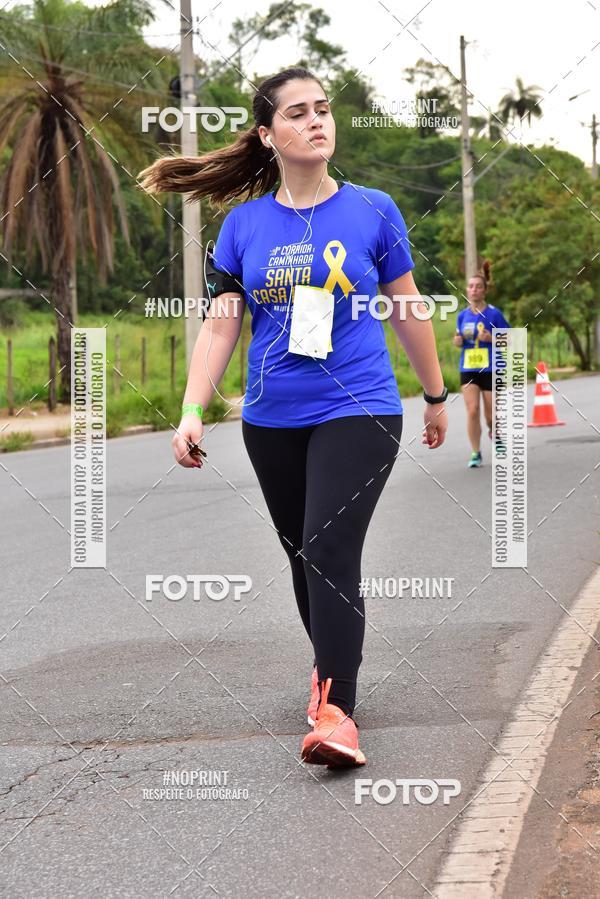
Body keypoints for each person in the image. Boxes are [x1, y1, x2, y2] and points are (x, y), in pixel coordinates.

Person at [139, 66, 448, 768]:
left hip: (360, 404)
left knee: (328, 546)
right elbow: (222, 326)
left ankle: (338, 709)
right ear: (267, 134)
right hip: (273, 416)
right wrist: (192, 410)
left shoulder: (373, 209)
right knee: (305, 555)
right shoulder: (244, 226)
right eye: (299, 113)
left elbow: (406, 305)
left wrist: (433, 396)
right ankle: (327, 672)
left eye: (324, 110)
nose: (317, 122)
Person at [453, 262, 510, 468]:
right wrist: (457, 341)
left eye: (478, 286)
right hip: (468, 367)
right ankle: (476, 452)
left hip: (492, 367)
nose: (473, 289)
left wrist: (492, 338)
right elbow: (459, 337)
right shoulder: (462, 315)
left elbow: (511, 339)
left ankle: (496, 433)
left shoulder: (495, 314)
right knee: (472, 410)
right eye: (470, 286)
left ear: (485, 290)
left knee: (490, 414)